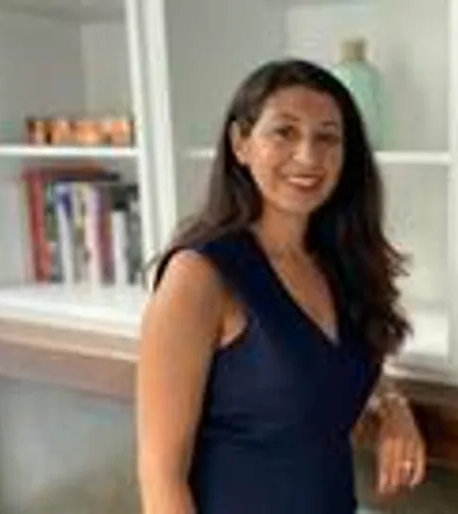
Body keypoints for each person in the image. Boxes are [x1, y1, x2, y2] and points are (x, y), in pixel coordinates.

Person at [136, 58, 426, 514]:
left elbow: (328, 365)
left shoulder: (340, 263)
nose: (308, 156)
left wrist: (393, 405)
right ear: (240, 143)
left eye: (327, 137)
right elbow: (161, 482)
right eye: (284, 132)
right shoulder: (199, 276)